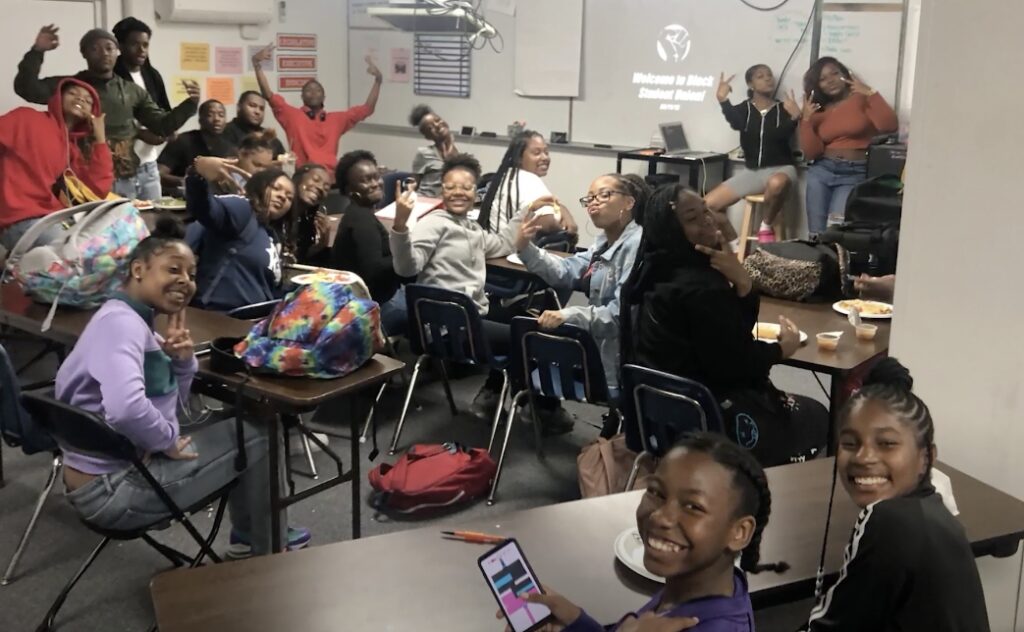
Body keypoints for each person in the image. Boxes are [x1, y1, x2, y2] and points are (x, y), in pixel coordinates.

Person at [55, 215, 310, 557]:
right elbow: (127, 409)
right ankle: (267, 555)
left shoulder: (127, 320)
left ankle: (252, 539)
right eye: (173, 269)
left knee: (243, 419)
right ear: (138, 270)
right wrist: (166, 440)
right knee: (261, 435)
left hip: (103, 473)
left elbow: (171, 409)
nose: (186, 281)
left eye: (191, 274)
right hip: (114, 489)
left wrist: (181, 362)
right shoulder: (122, 326)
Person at [620, 185, 828, 467]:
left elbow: (725, 340)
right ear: (671, 229)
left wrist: (742, 285)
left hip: (659, 419)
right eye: (692, 218)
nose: (707, 220)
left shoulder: (648, 276)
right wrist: (781, 349)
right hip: (712, 425)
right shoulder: (702, 288)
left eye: (707, 211)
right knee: (818, 414)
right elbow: (737, 365)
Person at [509, 432, 787, 631]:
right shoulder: (691, 585)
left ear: (739, 532)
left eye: (693, 506)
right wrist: (575, 621)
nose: (661, 516)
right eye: (655, 492)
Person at [800, 359, 990, 631]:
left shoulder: (886, 520)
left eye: (887, 444)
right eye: (850, 443)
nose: (864, 457)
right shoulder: (934, 511)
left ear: (926, 458)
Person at [15, 25, 198, 200]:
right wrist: (37, 51)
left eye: (109, 48)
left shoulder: (132, 91)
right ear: (84, 54)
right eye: (95, 49)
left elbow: (162, 126)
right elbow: (27, 88)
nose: (104, 53)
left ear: (117, 52)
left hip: (127, 179)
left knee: (131, 230)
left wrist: (190, 104)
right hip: (83, 180)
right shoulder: (70, 88)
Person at [512, 173, 646, 398]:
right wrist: (526, 247)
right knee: (526, 337)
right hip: (597, 350)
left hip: (619, 362)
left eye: (604, 195)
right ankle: (544, 412)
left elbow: (618, 317)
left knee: (531, 341)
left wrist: (570, 315)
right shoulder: (603, 243)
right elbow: (565, 271)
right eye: (590, 198)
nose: (593, 202)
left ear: (629, 202)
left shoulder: (636, 245)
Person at [0, 78, 112, 251]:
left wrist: (100, 140)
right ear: (58, 97)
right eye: (73, 93)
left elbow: (97, 189)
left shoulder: (71, 149)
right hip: (19, 220)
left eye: (88, 100)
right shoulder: (25, 117)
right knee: (77, 256)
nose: (81, 99)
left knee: (106, 245)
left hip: (51, 219)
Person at [799, 57, 898, 235]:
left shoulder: (861, 99)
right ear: (817, 85)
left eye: (835, 73)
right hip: (821, 171)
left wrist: (870, 93)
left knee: (836, 231)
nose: (830, 81)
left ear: (845, 75)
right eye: (822, 79)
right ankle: (817, 264)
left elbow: (889, 125)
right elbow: (811, 152)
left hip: (853, 173)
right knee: (815, 233)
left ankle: (837, 263)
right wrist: (805, 120)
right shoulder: (818, 110)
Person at [252, 44, 381, 178]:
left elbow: (367, 109)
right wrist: (256, 64)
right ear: (302, 97)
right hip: (304, 177)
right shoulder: (292, 115)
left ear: (324, 97)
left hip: (330, 178)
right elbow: (268, 95)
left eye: (317, 90)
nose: (313, 93)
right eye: (309, 90)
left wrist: (378, 81)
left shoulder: (337, 119)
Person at [185, 157, 294, 312]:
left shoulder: (272, 236)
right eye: (276, 188)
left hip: (256, 320)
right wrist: (197, 174)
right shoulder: (242, 209)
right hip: (220, 317)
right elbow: (203, 209)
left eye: (289, 197)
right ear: (260, 187)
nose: (283, 197)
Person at [706, 65, 800, 245]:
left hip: (782, 169)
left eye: (769, 75)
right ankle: (735, 243)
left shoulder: (783, 108)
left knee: (776, 182)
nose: (767, 79)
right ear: (751, 85)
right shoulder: (744, 109)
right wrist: (722, 100)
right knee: (707, 205)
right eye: (760, 76)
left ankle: (766, 225)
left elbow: (782, 135)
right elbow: (736, 123)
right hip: (753, 172)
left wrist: (795, 117)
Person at [333, 151, 408, 334]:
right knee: (433, 302)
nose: (375, 183)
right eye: (366, 180)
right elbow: (374, 270)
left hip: (369, 302)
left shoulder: (359, 213)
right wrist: (406, 253)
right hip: (373, 309)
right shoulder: (361, 221)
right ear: (350, 190)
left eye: (376, 177)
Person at [478, 130, 578, 250]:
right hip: (514, 258)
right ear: (519, 158)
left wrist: (562, 210)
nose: (545, 157)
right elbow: (547, 222)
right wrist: (566, 231)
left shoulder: (506, 176)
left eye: (546, 152)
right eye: (537, 153)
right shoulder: (529, 180)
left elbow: (547, 204)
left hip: (497, 254)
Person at [111, 17, 172, 201]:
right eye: (135, 44)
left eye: (145, 45)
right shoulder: (111, 76)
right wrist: (139, 132)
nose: (141, 50)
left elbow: (164, 110)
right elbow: (108, 121)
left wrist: (168, 130)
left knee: (154, 221)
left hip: (149, 164)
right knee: (125, 224)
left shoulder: (152, 75)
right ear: (120, 46)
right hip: (120, 168)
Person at [158, 99, 236, 194]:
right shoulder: (183, 140)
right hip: (180, 196)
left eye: (221, 115)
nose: (217, 119)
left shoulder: (228, 146)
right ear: (200, 120)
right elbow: (159, 174)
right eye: (210, 115)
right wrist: (185, 182)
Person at [286, 163, 332, 267]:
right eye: (316, 180)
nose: (320, 187)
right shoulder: (280, 214)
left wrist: (322, 244)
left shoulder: (305, 219)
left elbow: (298, 259)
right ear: (299, 178)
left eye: (326, 188)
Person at [408, 104, 458, 198]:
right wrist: (450, 141)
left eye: (438, 120)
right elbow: (412, 185)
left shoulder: (455, 152)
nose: (437, 125)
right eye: (430, 128)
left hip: (446, 202)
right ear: (427, 137)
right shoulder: (423, 153)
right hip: (426, 201)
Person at [224, 91, 287, 159]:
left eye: (261, 109)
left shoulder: (268, 136)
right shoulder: (225, 131)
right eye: (252, 106)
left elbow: (283, 161)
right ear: (239, 107)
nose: (257, 112)